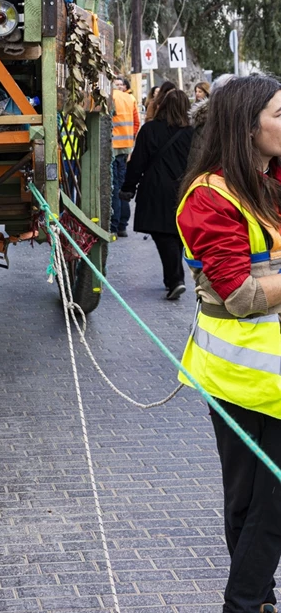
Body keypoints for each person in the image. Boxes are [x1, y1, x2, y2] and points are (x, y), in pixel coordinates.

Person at [176, 75, 281, 613]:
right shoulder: (210, 198)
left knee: (258, 503)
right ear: (247, 127)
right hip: (240, 377)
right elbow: (239, 296)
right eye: (280, 115)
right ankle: (246, 603)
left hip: (270, 378)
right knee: (256, 502)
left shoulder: (272, 179)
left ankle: (254, 601)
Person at [120, 88, 193, 299]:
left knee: (163, 234)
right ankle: (172, 276)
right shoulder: (192, 133)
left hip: (155, 189)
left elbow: (137, 163)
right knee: (175, 233)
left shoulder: (150, 130)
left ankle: (175, 279)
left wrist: (128, 187)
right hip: (184, 188)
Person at [110, 76, 140, 238]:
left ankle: (113, 226)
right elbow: (136, 123)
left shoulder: (110, 97)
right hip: (126, 146)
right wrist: (130, 138)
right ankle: (122, 225)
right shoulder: (130, 98)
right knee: (122, 185)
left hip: (112, 147)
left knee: (113, 187)